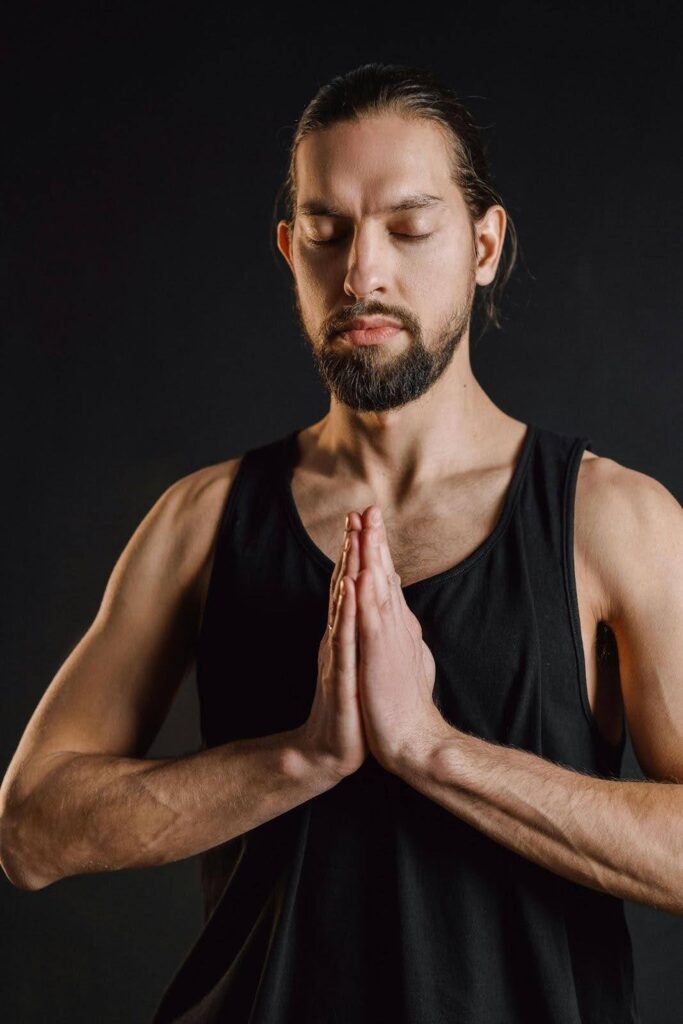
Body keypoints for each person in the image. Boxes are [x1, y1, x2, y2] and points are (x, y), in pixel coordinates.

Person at [1, 61, 681, 1023]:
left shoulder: (613, 521)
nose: (362, 272)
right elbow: (31, 831)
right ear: (290, 249)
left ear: (484, 244)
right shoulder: (202, 522)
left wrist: (435, 752)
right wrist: (303, 758)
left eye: (408, 228)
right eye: (326, 232)